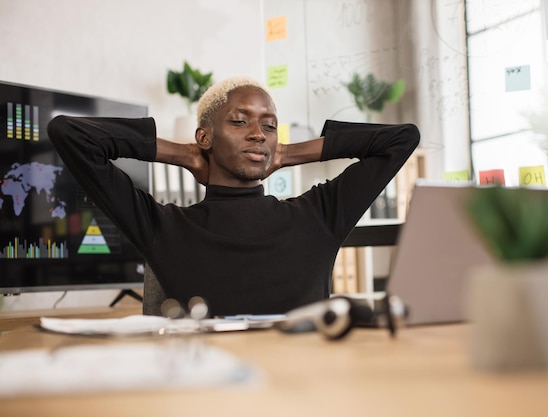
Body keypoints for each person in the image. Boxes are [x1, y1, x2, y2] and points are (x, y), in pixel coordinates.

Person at [47, 76, 420, 316]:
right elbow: (69, 134)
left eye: (269, 125)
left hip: (306, 391)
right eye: (240, 121)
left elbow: (401, 139)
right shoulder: (163, 226)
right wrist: (184, 153)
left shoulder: (319, 215)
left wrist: (288, 153)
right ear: (205, 136)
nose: (258, 133)